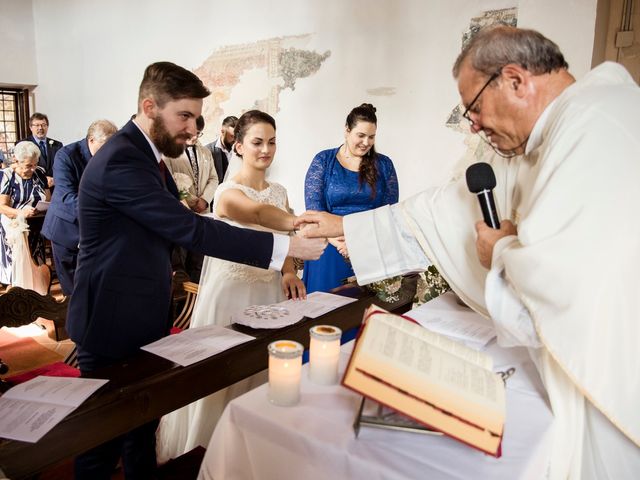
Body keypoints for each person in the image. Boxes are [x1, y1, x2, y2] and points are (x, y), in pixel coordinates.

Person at [298, 26, 640, 479]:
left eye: (474, 107)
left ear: (516, 81)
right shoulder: (550, 130)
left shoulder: (591, 128)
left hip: (605, 378)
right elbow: (444, 207)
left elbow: (565, 281)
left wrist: (501, 252)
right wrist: (347, 225)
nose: (473, 123)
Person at [67, 61, 326, 480]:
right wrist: (287, 246)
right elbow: (190, 229)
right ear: (150, 106)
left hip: (143, 313)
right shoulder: (121, 160)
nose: (192, 129)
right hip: (110, 319)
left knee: (140, 429)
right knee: (101, 441)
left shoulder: (146, 156)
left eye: (195, 117)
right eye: (184, 116)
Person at [157, 109, 305, 462]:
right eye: (257, 142)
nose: (265, 150)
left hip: (269, 293)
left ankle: (250, 447)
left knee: (260, 373)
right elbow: (257, 215)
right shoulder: (226, 192)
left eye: (271, 142)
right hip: (231, 296)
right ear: (238, 146)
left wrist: (287, 271)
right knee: (224, 373)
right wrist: (302, 221)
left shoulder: (280, 190)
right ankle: (210, 451)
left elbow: (283, 237)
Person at [302, 103, 398, 293]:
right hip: (329, 244)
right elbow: (314, 212)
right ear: (347, 131)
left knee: (362, 310)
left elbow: (390, 212)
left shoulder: (384, 164)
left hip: (369, 245)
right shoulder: (323, 160)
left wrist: (358, 240)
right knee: (326, 310)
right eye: (360, 135)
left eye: (371, 137)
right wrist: (336, 241)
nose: (366, 142)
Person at [41, 120, 117, 296]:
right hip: (67, 229)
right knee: (74, 291)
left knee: (97, 288)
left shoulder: (111, 155)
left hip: (97, 233)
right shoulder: (65, 156)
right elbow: (67, 197)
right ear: (91, 140)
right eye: (105, 147)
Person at [164, 115, 219, 281]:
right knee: (179, 258)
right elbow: (170, 180)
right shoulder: (170, 152)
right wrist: (190, 201)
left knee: (199, 261)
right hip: (182, 211)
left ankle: (196, 297)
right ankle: (180, 299)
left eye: (199, 133)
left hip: (203, 212)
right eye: (192, 133)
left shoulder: (205, 152)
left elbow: (214, 178)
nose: (195, 137)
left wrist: (204, 199)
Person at [0, 141, 50, 289]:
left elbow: (47, 199)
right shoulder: (7, 176)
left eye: (35, 164)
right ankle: (15, 296)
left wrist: (41, 208)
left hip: (36, 222)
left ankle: (38, 294)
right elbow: (2, 206)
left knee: (37, 261)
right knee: (17, 264)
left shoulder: (39, 172)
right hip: (13, 226)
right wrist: (21, 212)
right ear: (16, 161)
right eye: (29, 165)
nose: (32, 168)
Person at [19, 112, 63, 186]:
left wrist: (55, 179)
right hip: (33, 187)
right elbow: (21, 168)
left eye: (43, 125)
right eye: (37, 125)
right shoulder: (22, 144)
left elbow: (61, 166)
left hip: (54, 186)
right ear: (30, 127)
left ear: (47, 126)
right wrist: (43, 179)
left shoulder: (57, 145)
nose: (40, 128)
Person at [205, 115, 237, 181]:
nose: (235, 140)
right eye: (232, 136)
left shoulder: (241, 149)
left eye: (237, 136)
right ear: (222, 132)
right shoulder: (208, 151)